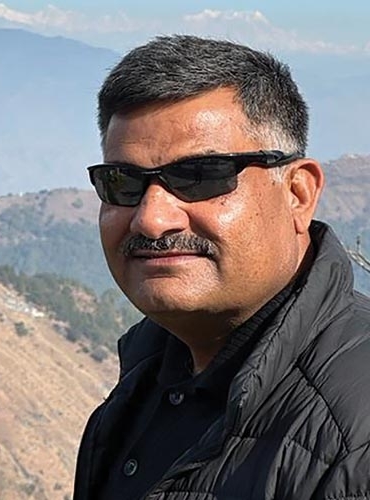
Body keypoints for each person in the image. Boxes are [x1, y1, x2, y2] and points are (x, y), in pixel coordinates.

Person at [74, 35, 370, 499]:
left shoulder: (352, 439)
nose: (152, 219)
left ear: (298, 194)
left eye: (201, 176)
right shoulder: (146, 384)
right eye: (123, 182)